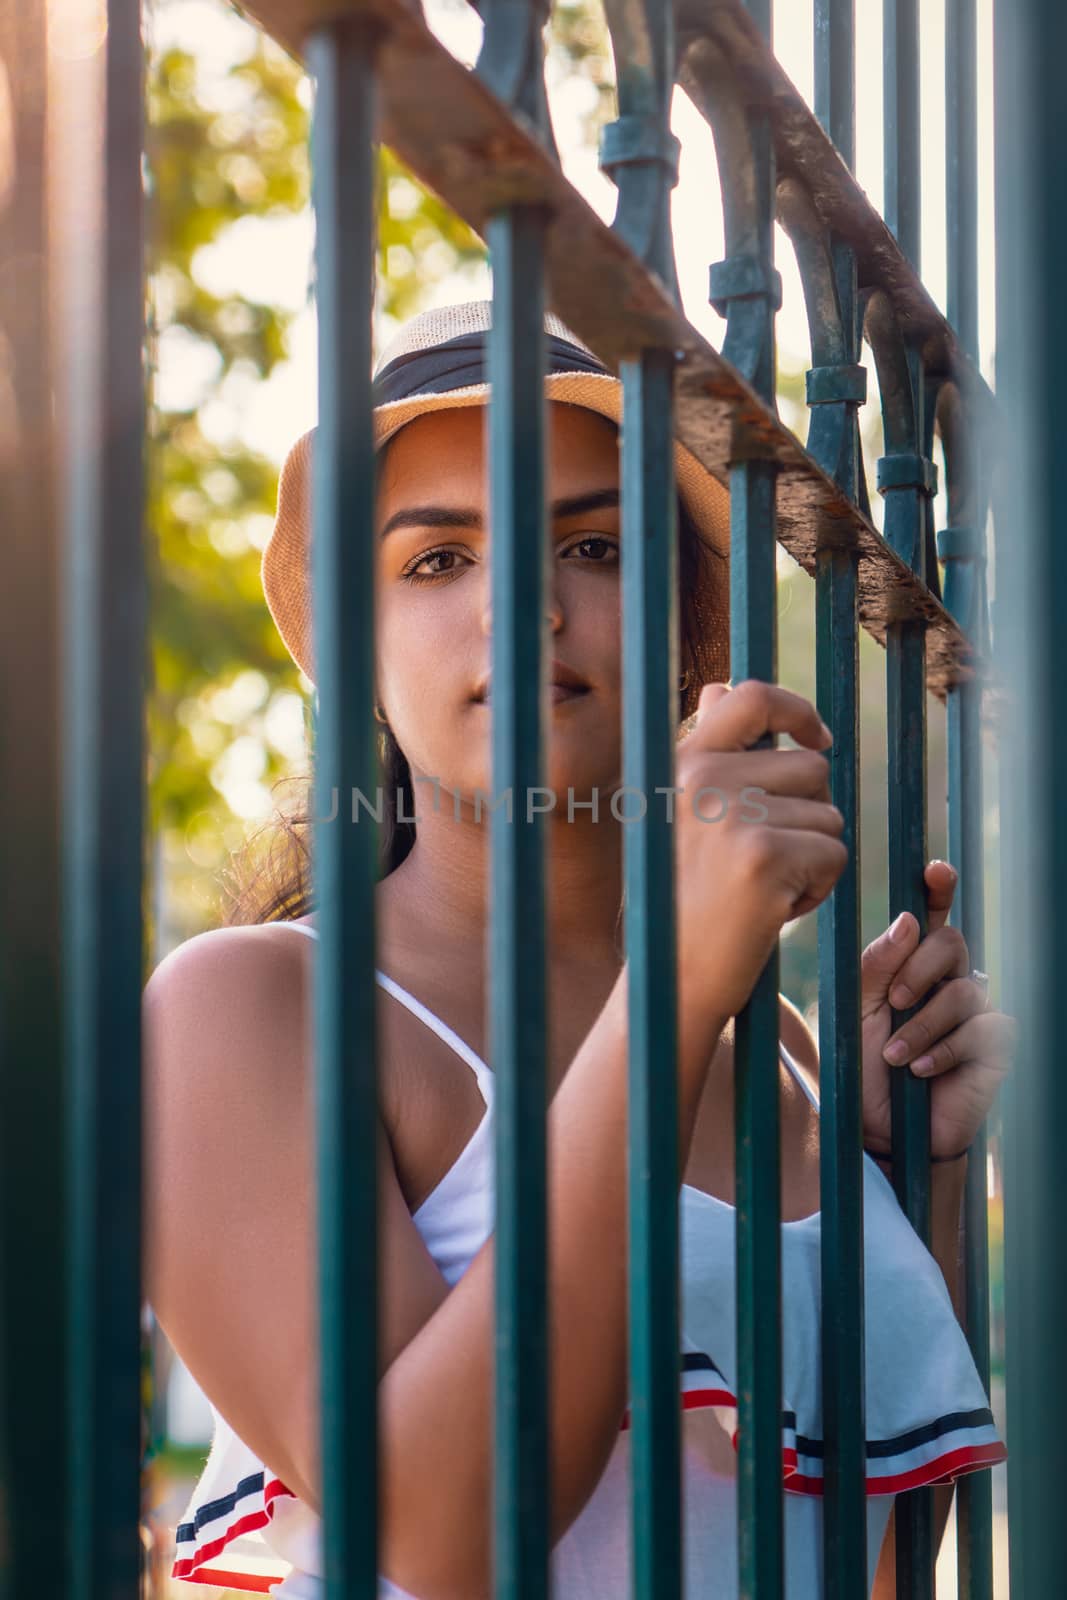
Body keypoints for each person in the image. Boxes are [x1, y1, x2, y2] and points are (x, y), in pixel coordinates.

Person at [145, 300, 1012, 1599]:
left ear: (693, 617)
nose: (523, 609)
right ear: (353, 647)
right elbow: (446, 1540)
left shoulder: (776, 1042)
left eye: (594, 545)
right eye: (438, 561)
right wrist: (673, 980)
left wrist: (912, 1172)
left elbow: (872, 1555)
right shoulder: (252, 1008)